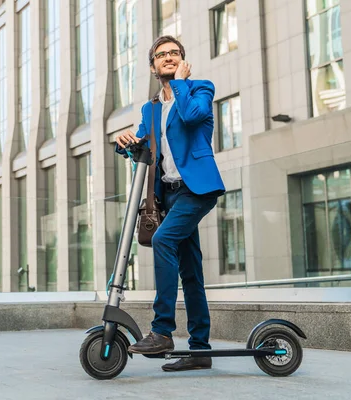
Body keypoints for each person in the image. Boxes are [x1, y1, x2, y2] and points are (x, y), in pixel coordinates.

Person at [115, 35, 225, 372]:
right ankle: (200, 350)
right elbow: (142, 149)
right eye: (162, 55)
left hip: (197, 189)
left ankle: (162, 330)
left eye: (175, 53)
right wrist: (125, 143)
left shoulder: (199, 88)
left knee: (164, 239)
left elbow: (193, 117)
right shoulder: (150, 109)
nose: (169, 58)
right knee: (191, 272)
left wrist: (180, 83)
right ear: (153, 66)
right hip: (170, 193)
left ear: (183, 62)